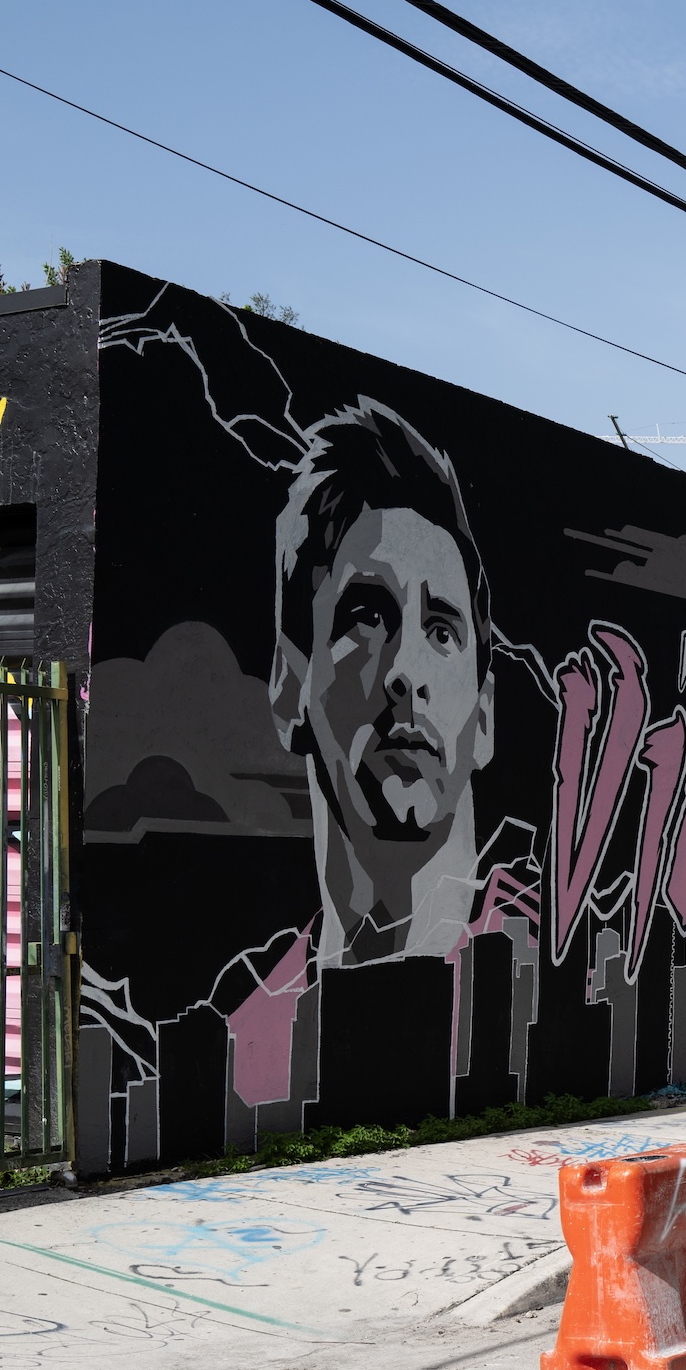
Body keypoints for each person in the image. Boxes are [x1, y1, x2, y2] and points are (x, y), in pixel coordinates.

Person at [269, 397, 501, 966]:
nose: (405, 672)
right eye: (367, 617)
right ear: (288, 687)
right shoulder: (240, 1036)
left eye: (443, 631)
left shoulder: (550, 980)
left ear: (486, 715)